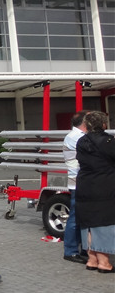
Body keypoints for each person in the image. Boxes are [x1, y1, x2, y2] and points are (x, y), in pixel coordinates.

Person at [75, 111, 115, 273]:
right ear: (103, 124)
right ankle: (104, 262)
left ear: (86, 125)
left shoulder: (81, 141)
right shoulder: (108, 141)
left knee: (88, 223)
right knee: (103, 223)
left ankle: (92, 259)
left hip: (84, 184)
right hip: (104, 185)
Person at [62, 110, 89, 264]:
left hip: (81, 181)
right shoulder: (75, 137)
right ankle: (71, 251)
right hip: (78, 182)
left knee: (82, 217)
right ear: (85, 122)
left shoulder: (78, 136)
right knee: (75, 217)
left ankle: (83, 248)